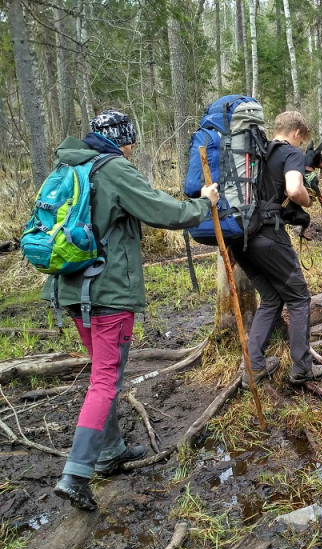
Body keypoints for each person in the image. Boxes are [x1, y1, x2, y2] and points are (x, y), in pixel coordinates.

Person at [46, 110, 219, 511]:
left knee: (100, 374)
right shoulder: (113, 168)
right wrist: (201, 204)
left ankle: (108, 452)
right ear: (120, 139)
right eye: (129, 141)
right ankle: (76, 474)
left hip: (71, 287)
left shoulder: (71, 164)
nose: (131, 148)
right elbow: (162, 211)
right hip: (108, 291)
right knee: (106, 380)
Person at [231, 111, 322, 387]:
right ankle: (302, 368)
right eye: (302, 139)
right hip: (268, 237)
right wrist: (308, 202)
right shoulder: (290, 154)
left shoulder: (256, 154)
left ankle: (254, 368)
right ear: (296, 133)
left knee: (272, 299)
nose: (300, 145)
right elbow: (295, 190)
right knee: (298, 299)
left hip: (241, 239)